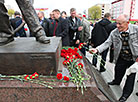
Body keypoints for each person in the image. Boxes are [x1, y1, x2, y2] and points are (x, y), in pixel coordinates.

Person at [89, 14, 138, 102]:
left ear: (127, 23)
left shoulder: (136, 29)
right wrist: (97, 50)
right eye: (116, 23)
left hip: (134, 59)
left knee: (131, 77)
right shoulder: (114, 32)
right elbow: (107, 43)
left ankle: (125, 95)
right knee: (118, 70)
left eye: (120, 24)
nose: (117, 26)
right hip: (121, 56)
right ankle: (116, 81)